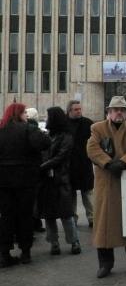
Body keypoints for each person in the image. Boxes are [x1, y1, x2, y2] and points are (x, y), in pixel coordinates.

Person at [86, 96, 126, 278]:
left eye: (122, 109)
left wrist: (124, 163)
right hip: (107, 181)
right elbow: (92, 149)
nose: (119, 112)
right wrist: (108, 163)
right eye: (115, 109)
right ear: (109, 112)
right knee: (104, 225)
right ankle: (105, 264)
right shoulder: (97, 128)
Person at [0, 103, 51, 267]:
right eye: (24, 113)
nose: (26, 116)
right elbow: (45, 143)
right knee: (25, 216)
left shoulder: (1, 129)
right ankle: (25, 252)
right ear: (20, 114)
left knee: (6, 217)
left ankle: (4, 253)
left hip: (3, 181)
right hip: (25, 180)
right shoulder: (28, 129)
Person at [38, 107, 81, 255]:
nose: (47, 119)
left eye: (49, 117)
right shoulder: (49, 135)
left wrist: (43, 165)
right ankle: (54, 243)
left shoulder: (66, 136)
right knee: (49, 215)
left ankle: (74, 242)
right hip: (48, 180)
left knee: (66, 214)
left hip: (61, 179)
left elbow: (62, 156)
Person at [66, 100, 95, 228]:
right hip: (69, 164)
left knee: (87, 193)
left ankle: (92, 218)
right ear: (69, 111)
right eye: (76, 109)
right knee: (71, 194)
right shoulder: (64, 124)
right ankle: (73, 218)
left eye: (79, 109)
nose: (79, 111)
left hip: (84, 163)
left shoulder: (88, 123)